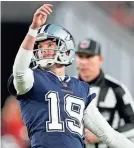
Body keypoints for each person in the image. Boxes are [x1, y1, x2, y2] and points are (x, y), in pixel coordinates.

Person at [11, 4, 134, 148]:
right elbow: (19, 72)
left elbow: (108, 135)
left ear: (65, 48)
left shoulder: (81, 88)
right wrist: (32, 30)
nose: (43, 50)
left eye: (49, 45)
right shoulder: (33, 79)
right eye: (40, 47)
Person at [75, 38, 134, 148]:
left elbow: (132, 124)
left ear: (100, 59)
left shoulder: (116, 89)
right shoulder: (67, 86)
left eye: (88, 56)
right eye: (80, 56)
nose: (83, 62)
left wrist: (102, 135)